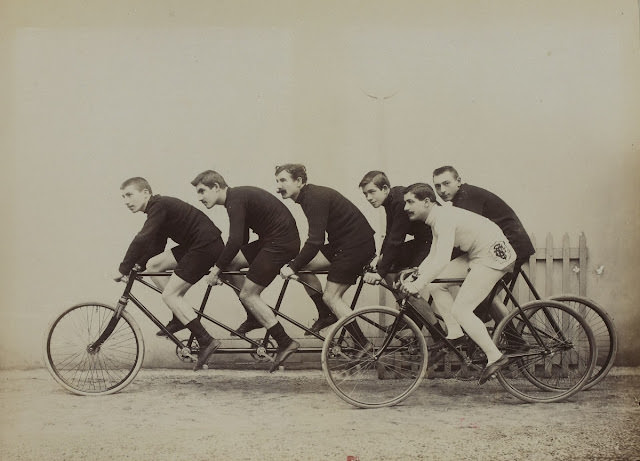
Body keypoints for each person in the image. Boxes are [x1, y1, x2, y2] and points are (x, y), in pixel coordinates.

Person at [400, 183, 516, 384]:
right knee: (435, 284)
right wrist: (418, 274)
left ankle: (495, 357)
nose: (405, 208)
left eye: (410, 202)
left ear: (427, 202)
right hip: (477, 255)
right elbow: (433, 254)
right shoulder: (437, 218)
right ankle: (455, 333)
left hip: (492, 257)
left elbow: (442, 259)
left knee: (462, 310)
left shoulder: (443, 219)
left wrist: (417, 286)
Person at [191, 170, 301, 372]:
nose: (199, 198)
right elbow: (241, 239)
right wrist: (221, 265)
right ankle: (253, 315)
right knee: (230, 266)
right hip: (272, 240)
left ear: (216, 187)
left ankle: (284, 341)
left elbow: (234, 241)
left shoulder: (235, 199)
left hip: (281, 243)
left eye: (202, 191)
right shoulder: (235, 199)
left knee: (248, 293)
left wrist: (216, 268)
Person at [114, 177, 224, 371]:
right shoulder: (157, 209)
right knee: (154, 266)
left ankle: (205, 340)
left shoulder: (159, 205)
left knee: (170, 295)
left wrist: (124, 267)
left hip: (205, 245)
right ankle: (179, 315)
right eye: (123, 197)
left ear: (146, 193)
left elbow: (142, 238)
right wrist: (138, 265)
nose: (126, 201)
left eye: (130, 195)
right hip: (197, 244)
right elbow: (157, 244)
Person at [275, 164, 375, 349]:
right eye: (277, 181)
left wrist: (292, 266)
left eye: (283, 180)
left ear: (299, 181)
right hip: (343, 244)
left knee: (332, 297)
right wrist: (296, 265)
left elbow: (315, 240)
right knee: (304, 267)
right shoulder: (308, 197)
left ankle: (363, 345)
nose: (278, 186)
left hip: (355, 247)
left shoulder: (313, 198)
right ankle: (325, 314)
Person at [431, 165, 535, 332]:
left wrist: (438, 264)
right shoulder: (459, 200)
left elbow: (464, 238)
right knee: (481, 298)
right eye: (437, 186)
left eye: (446, 183)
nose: (442, 190)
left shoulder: (466, 198)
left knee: (486, 296)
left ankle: (515, 341)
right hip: (497, 248)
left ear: (458, 181)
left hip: (511, 247)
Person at [358, 170, 442, 333]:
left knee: (406, 282)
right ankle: (411, 314)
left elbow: (396, 240)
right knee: (389, 267)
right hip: (423, 241)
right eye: (365, 194)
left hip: (433, 243)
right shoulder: (391, 200)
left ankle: (437, 334)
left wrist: (379, 273)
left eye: (372, 192)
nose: (368, 198)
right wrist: (380, 259)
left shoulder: (398, 201)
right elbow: (390, 234)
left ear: (385, 188)